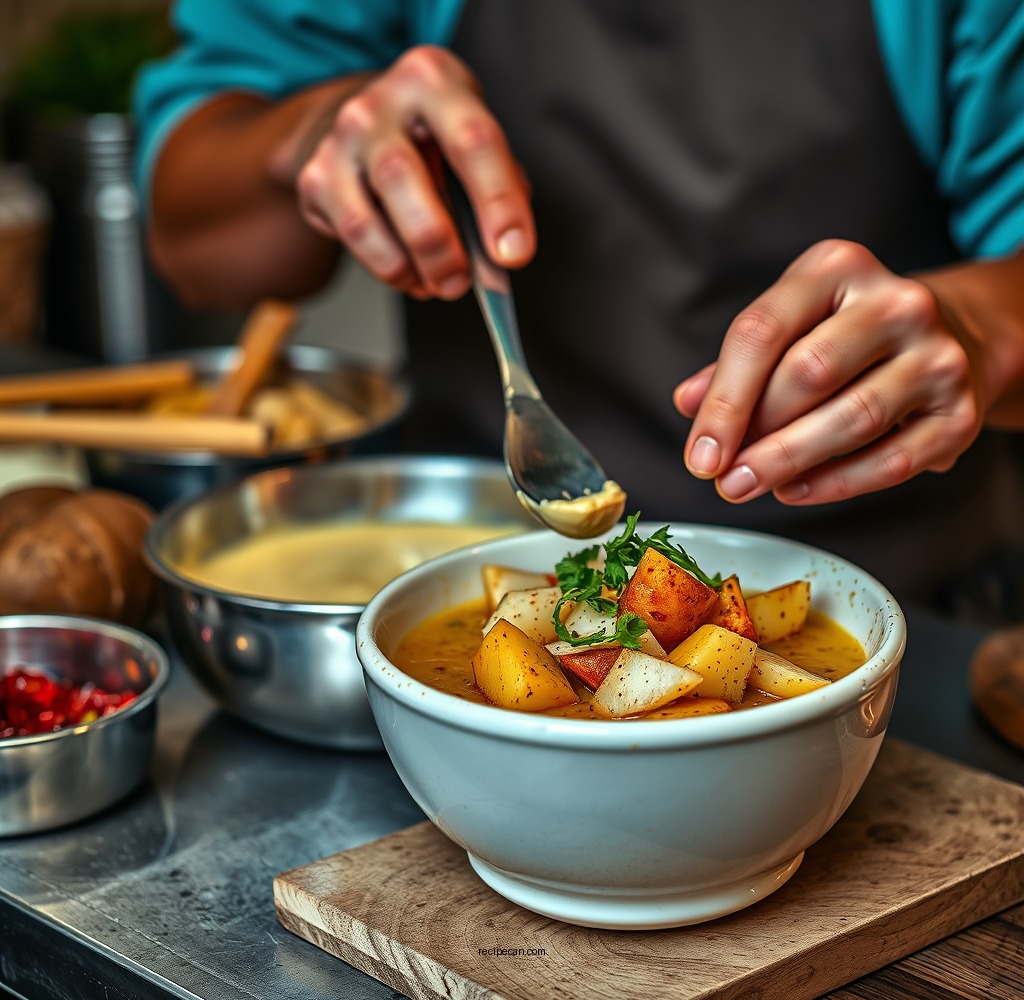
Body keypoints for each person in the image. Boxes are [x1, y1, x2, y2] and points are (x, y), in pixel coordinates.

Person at [132, 0, 1024, 611]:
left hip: (911, 610)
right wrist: (312, 133)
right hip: (476, 580)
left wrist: (977, 333)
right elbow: (195, 252)